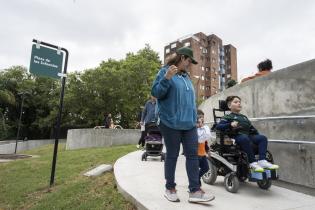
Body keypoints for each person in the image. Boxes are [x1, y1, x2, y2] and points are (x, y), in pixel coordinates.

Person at [152, 47, 215, 203]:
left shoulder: (186, 78)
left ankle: (194, 191)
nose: (189, 64)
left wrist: (196, 119)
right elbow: (156, 93)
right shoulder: (165, 71)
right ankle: (170, 188)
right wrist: (166, 78)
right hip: (170, 122)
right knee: (172, 155)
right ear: (181, 57)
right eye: (188, 61)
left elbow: (191, 102)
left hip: (189, 124)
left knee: (193, 155)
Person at [216, 96, 279, 172]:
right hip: (236, 137)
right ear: (229, 106)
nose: (239, 103)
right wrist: (230, 124)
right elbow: (218, 126)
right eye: (236, 102)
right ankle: (252, 162)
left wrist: (256, 134)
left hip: (248, 136)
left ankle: (262, 161)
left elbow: (252, 128)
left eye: (239, 102)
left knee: (263, 138)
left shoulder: (244, 117)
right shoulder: (227, 117)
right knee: (244, 138)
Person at [196, 116, 211, 186]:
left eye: (202, 121)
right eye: (200, 121)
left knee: (206, 168)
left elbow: (205, 142)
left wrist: (208, 150)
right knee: (194, 170)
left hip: (202, 154)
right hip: (196, 154)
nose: (202, 123)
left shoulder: (203, 131)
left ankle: (197, 177)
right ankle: (196, 185)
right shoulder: (194, 131)